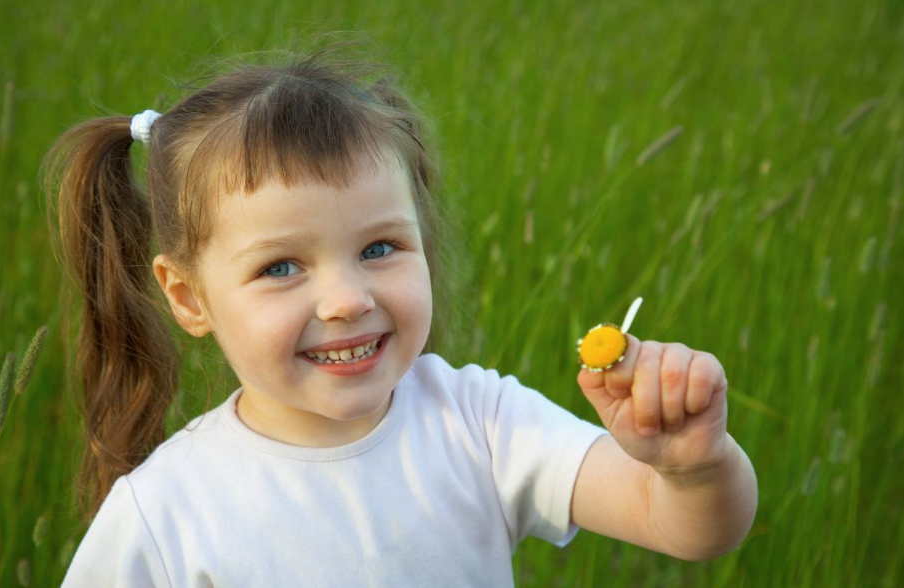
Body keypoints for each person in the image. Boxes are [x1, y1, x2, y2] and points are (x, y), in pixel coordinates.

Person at [46, 41, 757, 587]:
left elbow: (687, 529)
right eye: (281, 267)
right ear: (188, 297)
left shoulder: (478, 423)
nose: (348, 299)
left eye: (379, 246)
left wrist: (694, 469)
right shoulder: (165, 512)